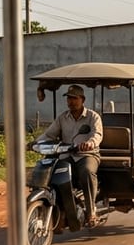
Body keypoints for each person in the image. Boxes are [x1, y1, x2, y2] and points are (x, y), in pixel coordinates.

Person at [37, 84, 104, 227]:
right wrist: (35, 143)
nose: (71, 101)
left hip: (87, 155)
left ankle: (91, 211)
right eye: (68, 98)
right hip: (66, 155)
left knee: (86, 171)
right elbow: (49, 134)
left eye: (74, 98)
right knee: (52, 174)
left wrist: (90, 143)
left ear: (82, 99)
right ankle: (60, 211)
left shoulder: (93, 117)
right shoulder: (62, 118)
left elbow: (97, 134)